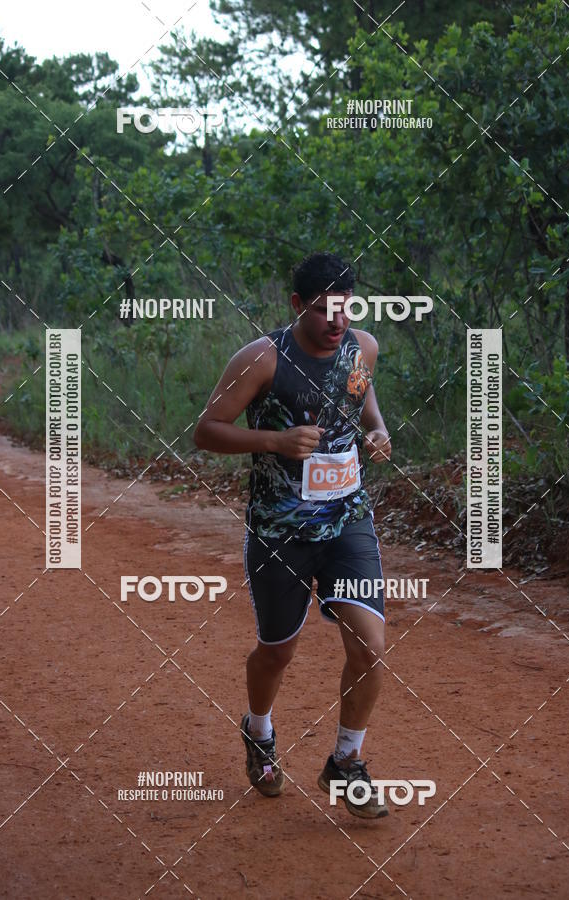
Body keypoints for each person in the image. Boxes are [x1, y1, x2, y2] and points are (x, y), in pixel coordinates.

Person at [193, 251, 392, 818]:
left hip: (347, 520)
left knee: (370, 648)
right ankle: (259, 731)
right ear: (298, 305)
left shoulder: (363, 347)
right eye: (325, 310)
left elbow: (361, 396)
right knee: (278, 650)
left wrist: (377, 431)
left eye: (346, 309)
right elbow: (206, 431)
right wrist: (275, 442)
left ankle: (346, 762)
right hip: (280, 530)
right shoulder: (262, 358)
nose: (337, 322)